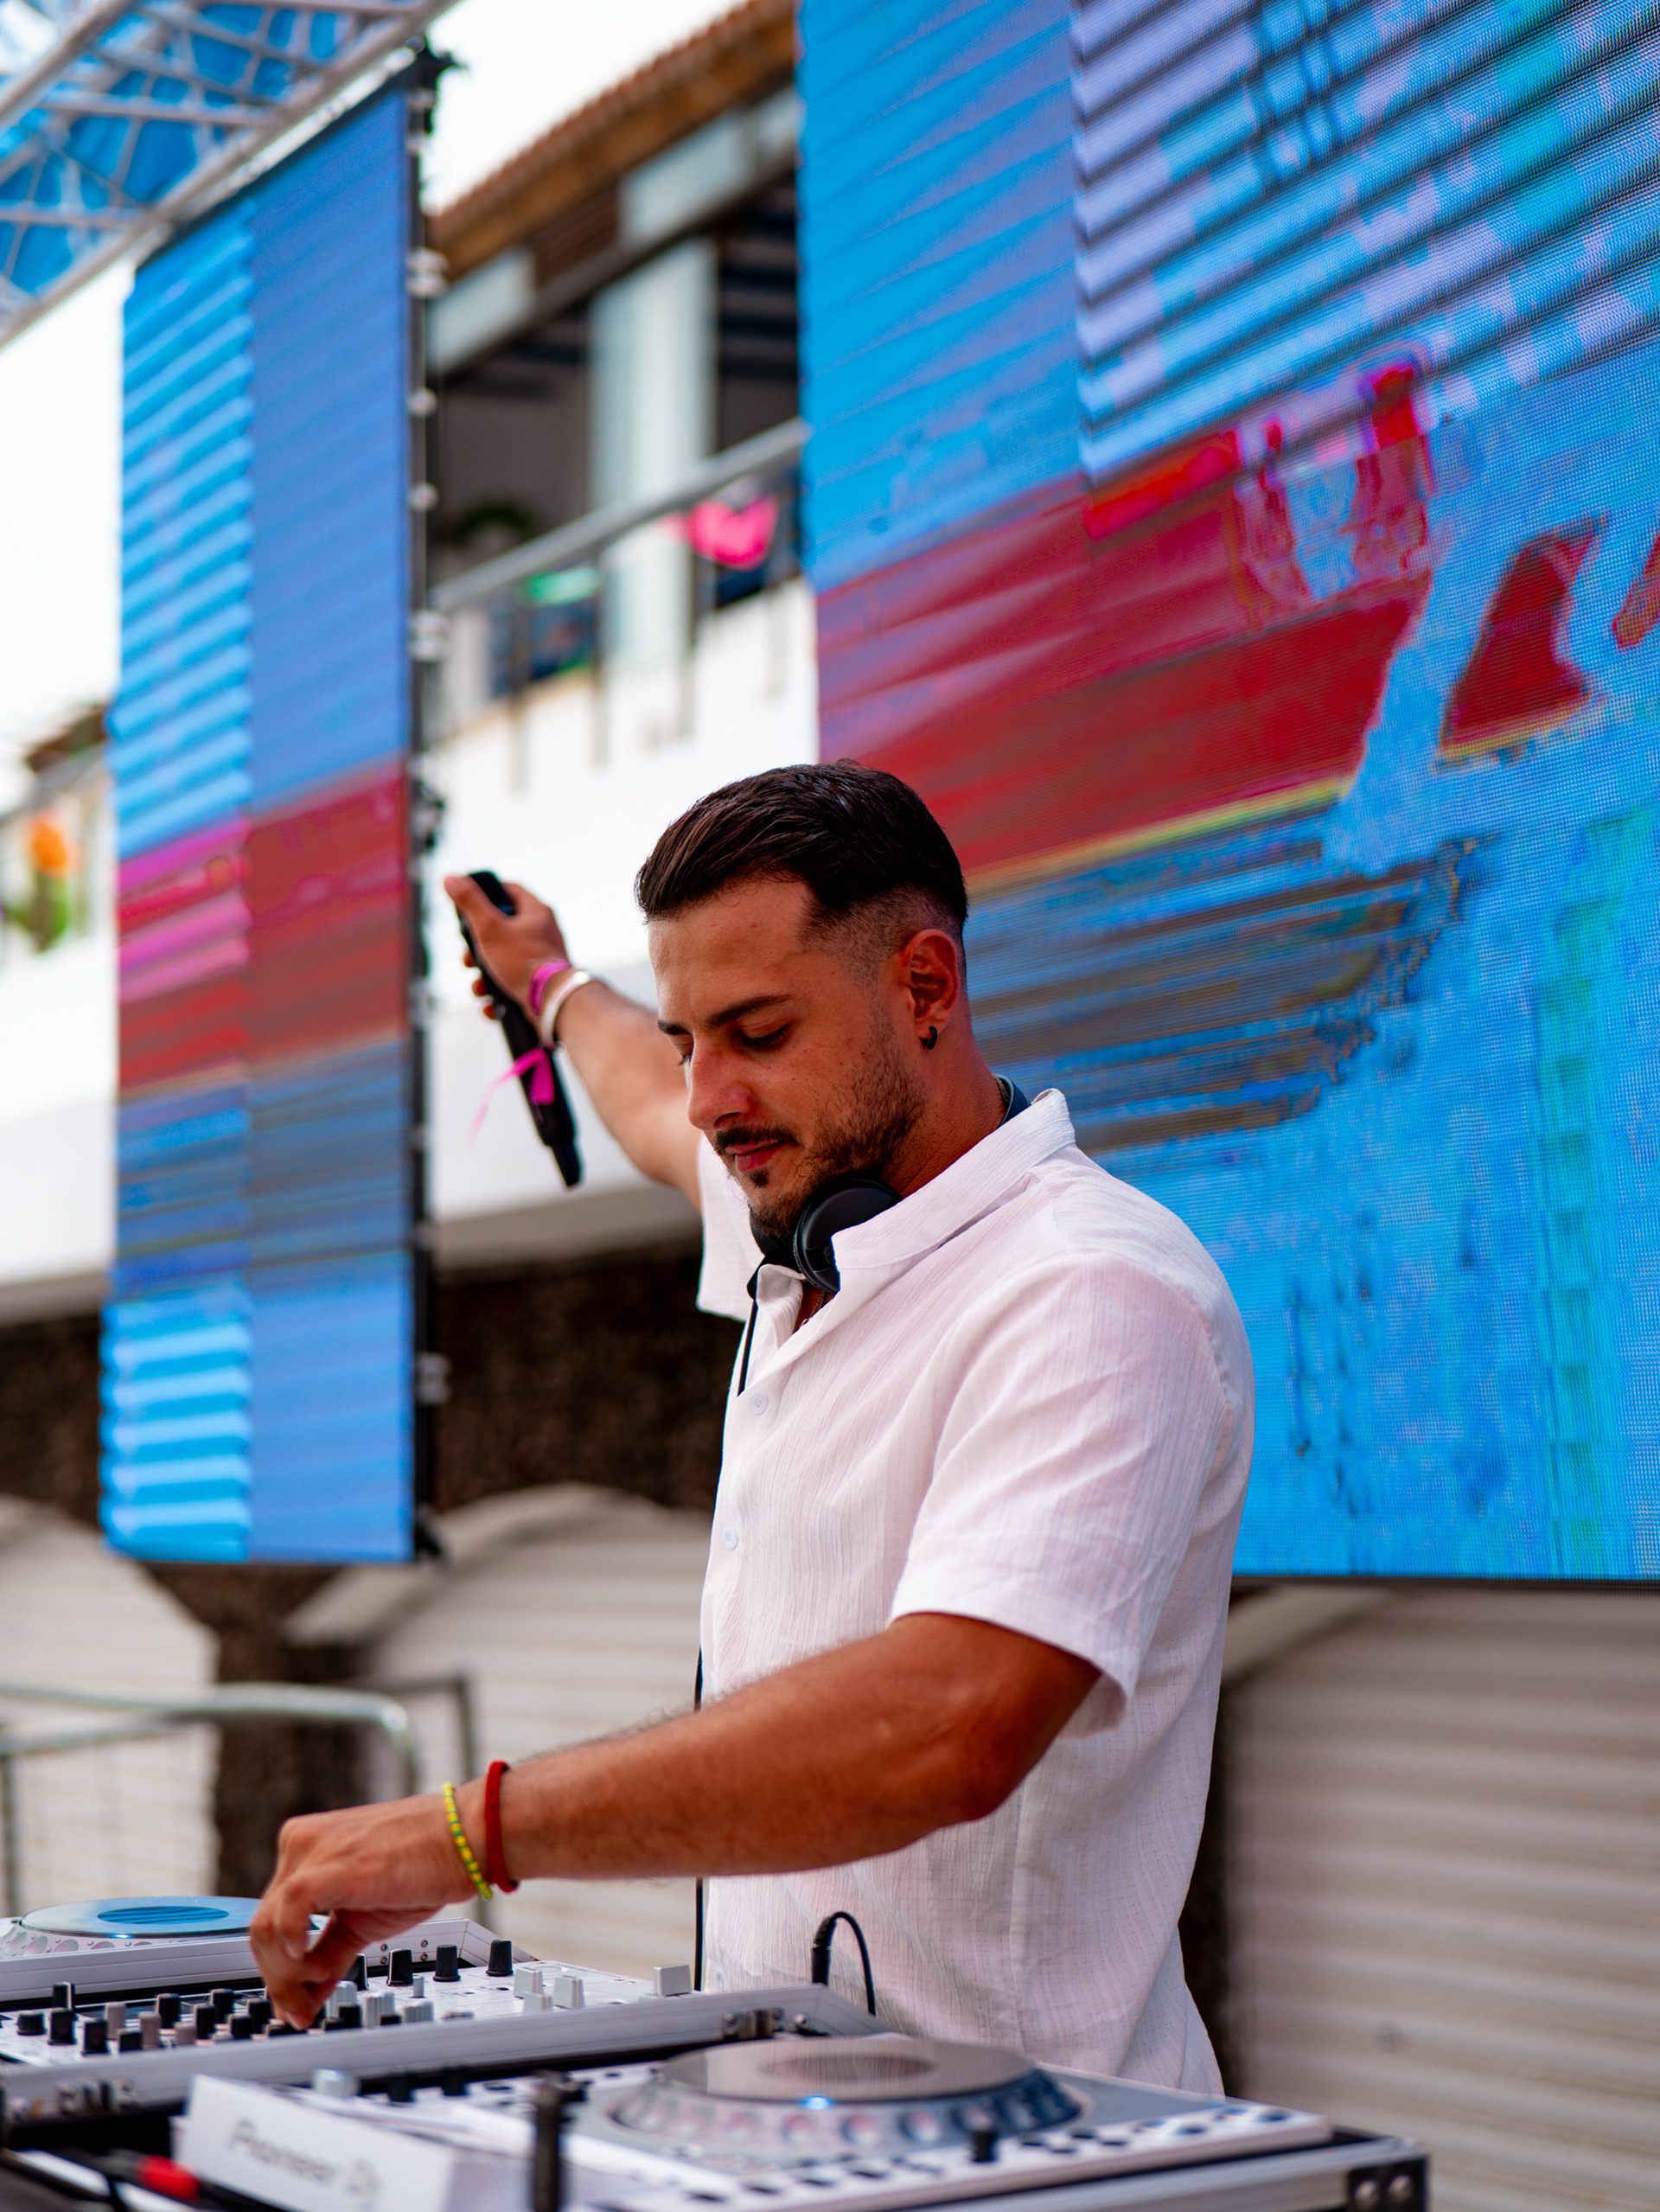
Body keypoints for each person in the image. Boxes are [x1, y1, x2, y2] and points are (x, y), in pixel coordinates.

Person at [250, 763, 1252, 2090]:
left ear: (927, 987)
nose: (710, 1096)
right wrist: (550, 982)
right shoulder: (802, 1194)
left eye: (759, 1032)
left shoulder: (1093, 1289)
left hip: (1033, 2154)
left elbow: (949, 1721)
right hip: (799, 2137)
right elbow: (643, 1100)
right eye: (691, 1039)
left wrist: (473, 1830)